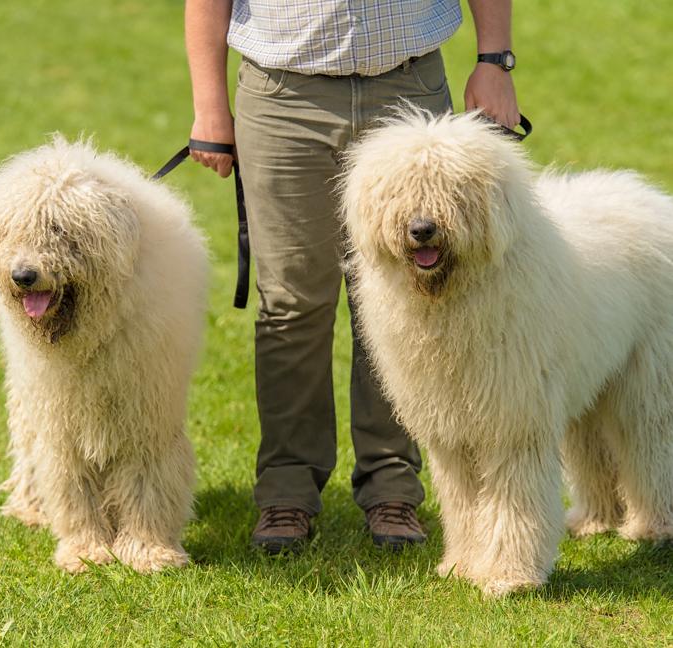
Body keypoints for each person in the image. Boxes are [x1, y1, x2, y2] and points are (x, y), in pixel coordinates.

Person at [185, 0, 520, 553]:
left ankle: (392, 486)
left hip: (408, 89)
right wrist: (209, 104)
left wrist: (494, 60)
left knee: (406, 301)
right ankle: (287, 491)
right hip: (284, 98)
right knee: (292, 304)